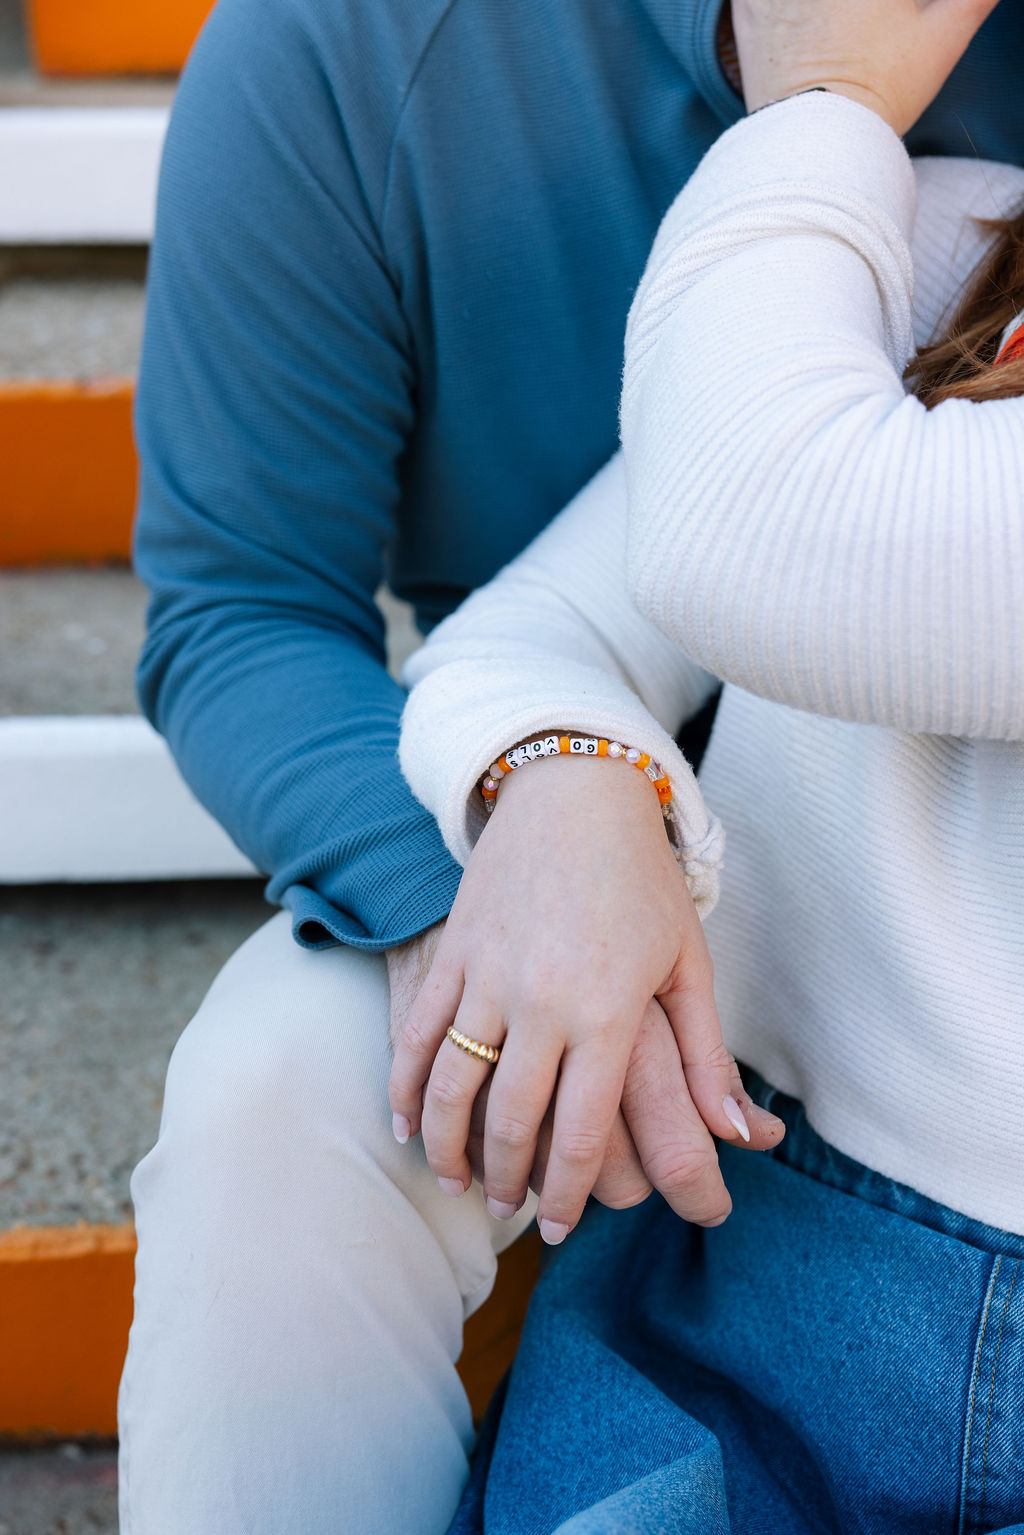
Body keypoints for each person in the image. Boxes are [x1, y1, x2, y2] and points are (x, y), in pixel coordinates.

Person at [122, 0, 1024, 1530]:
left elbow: (796, 531)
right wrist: (530, 816)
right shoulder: (345, 46)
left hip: (896, 913)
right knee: (273, 1082)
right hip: (514, 777)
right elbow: (243, 607)